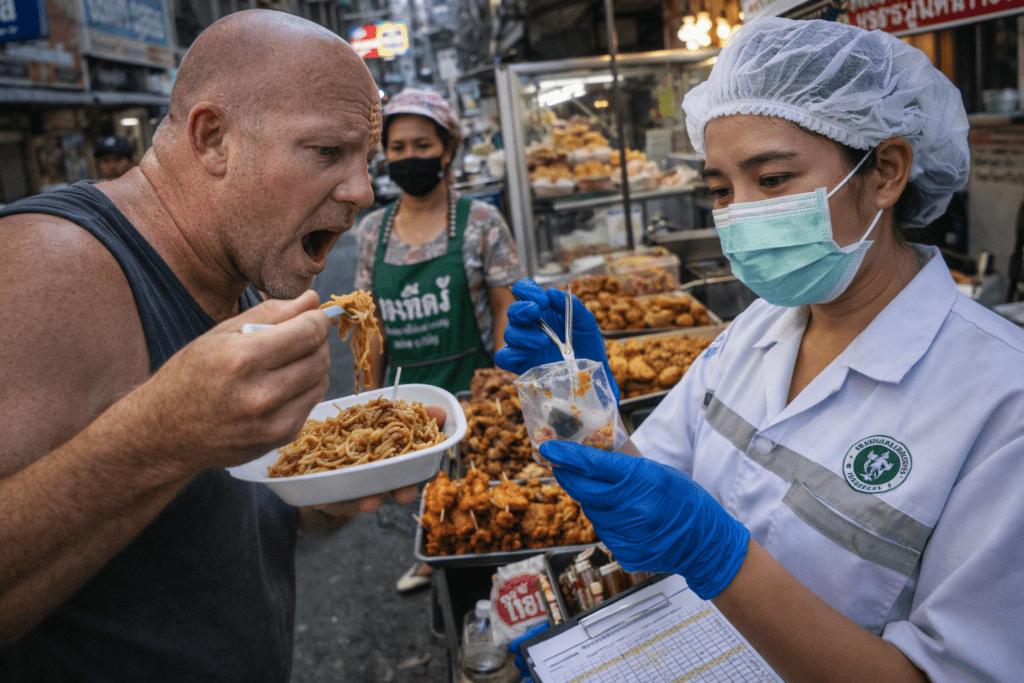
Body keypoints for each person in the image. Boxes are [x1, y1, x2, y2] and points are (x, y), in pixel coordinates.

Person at [497, 17, 1024, 683]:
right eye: (721, 189)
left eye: (771, 178)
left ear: (886, 172)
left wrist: (721, 558)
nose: (740, 214)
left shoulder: (1002, 403)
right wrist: (581, 401)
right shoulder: (757, 329)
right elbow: (645, 504)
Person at [0, 10, 417, 681]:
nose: (363, 191)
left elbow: (217, 527)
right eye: (326, 152)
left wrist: (325, 491)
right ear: (214, 138)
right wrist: (162, 435)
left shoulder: (240, 277)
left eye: (364, 160)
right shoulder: (52, 265)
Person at [350, 89, 524, 593]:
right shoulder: (372, 232)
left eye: (422, 145)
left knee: (485, 511)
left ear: (447, 149)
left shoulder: (481, 223)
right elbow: (368, 326)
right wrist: (366, 401)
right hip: (408, 401)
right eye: (397, 147)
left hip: (474, 391)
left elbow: (505, 308)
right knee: (424, 499)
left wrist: (505, 386)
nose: (409, 157)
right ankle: (431, 556)